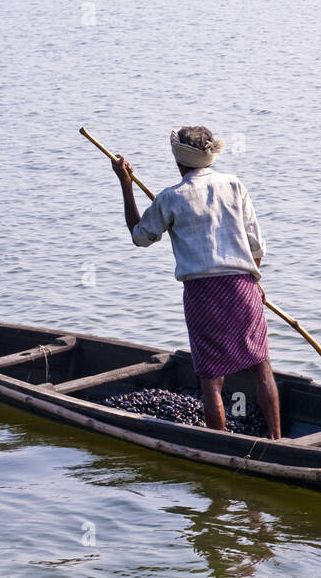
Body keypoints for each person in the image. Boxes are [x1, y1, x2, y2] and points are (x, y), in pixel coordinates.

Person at [112, 126, 282, 440]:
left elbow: (140, 237)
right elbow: (257, 246)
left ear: (179, 162)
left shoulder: (171, 198)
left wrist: (126, 186)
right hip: (242, 287)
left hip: (203, 294)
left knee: (211, 378)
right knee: (261, 366)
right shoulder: (233, 185)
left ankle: (219, 445)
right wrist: (254, 281)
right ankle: (277, 439)